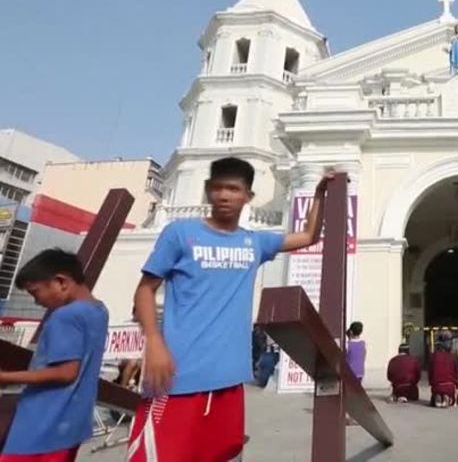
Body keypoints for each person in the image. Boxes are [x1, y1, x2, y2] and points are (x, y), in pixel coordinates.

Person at [127, 157, 332, 461]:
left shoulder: (255, 243)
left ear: (247, 197)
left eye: (233, 189)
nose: (224, 195)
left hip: (229, 379)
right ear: (208, 190)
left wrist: (319, 194)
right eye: (218, 188)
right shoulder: (180, 234)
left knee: (221, 455)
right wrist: (154, 342)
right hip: (177, 377)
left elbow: (308, 237)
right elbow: (145, 291)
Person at [0, 249, 109, 461]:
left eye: (35, 292)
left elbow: (66, 372)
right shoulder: (99, 310)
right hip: (71, 423)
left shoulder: (65, 316)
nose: (36, 302)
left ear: (61, 282)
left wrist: (6, 377)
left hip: (41, 424)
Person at [429, 333, 458, 408]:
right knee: (450, 389)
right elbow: (456, 374)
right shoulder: (452, 357)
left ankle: (438, 396)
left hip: (437, 386)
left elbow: (430, 374)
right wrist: (456, 385)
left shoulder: (433, 357)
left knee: (437, 390)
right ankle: (447, 397)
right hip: (449, 385)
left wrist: (431, 383)